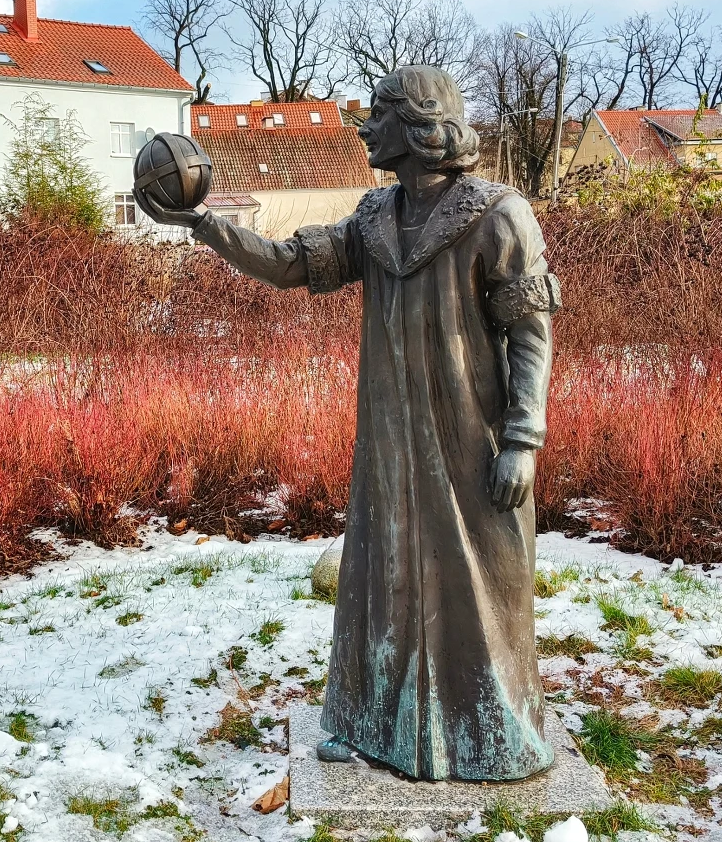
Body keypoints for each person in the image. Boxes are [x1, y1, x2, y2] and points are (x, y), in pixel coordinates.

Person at [135, 67, 561, 781]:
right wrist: (204, 224)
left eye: (380, 112)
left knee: (486, 583)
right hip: (391, 445)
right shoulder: (373, 218)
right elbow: (291, 264)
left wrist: (523, 438)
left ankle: (493, 733)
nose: (366, 124)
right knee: (384, 580)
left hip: (472, 440)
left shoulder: (498, 213)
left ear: (420, 125)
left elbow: (532, 333)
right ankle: (376, 723)